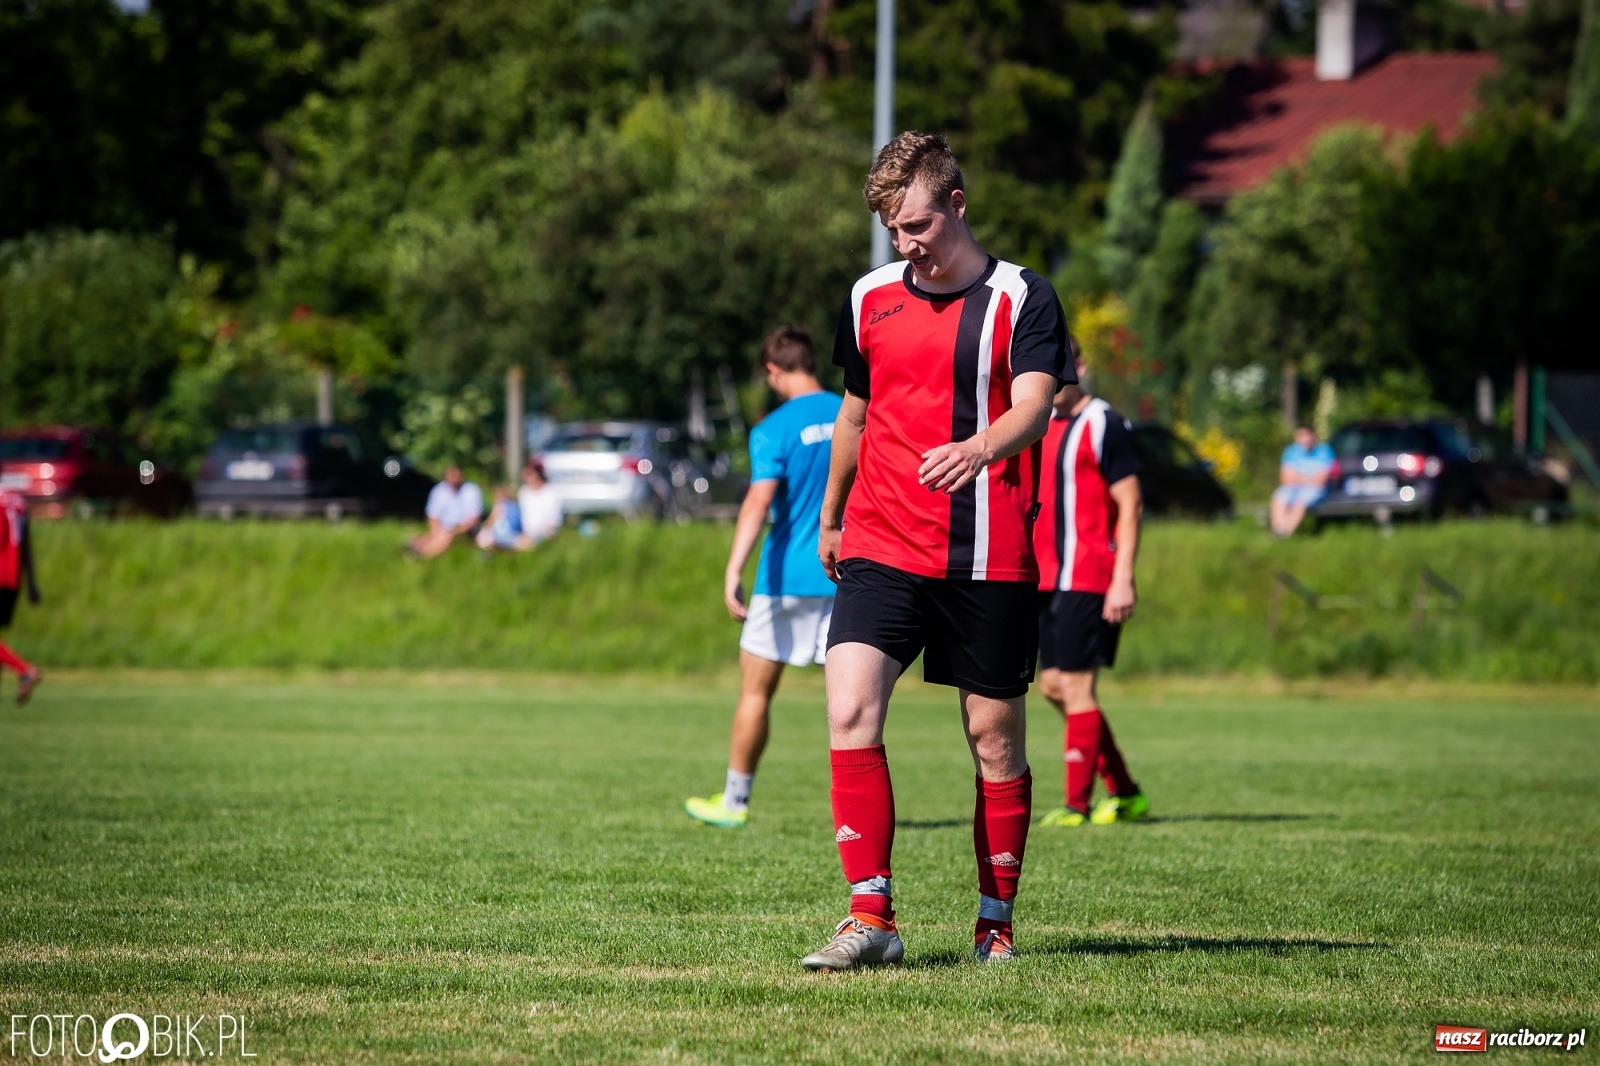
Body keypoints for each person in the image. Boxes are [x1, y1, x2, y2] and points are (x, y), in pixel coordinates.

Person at [801, 131, 1069, 971]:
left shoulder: (1023, 298)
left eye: (918, 225)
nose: (908, 245)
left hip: (987, 553)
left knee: (994, 739)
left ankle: (995, 924)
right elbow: (854, 414)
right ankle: (870, 916)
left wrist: (983, 446)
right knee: (848, 709)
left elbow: (1035, 407)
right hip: (881, 538)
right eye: (893, 231)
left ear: (957, 204)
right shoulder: (870, 295)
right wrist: (832, 513)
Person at [684, 327, 843, 829]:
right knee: (850, 701)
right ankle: (855, 811)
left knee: (756, 692)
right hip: (846, 573)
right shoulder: (854, 414)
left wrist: (733, 570)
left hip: (785, 578)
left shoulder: (773, 428)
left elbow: (757, 501)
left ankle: (734, 803)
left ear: (774, 371)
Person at [1033, 352, 1150, 829]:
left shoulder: (1104, 423)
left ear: (1078, 366)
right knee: (1052, 686)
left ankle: (1076, 805)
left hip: (1088, 574)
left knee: (1078, 688)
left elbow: (1131, 502)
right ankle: (1124, 791)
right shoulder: (1036, 421)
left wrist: (1122, 575)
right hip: (1043, 577)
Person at [0, 491, 43, 704]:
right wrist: (32, 583)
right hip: (13, 578)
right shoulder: (16, 501)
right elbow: (26, 543)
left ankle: (24, 669)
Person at [1270, 424, 1335, 537]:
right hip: (1294, 487)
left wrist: (1298, 478)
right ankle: (1279, 529)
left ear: (1313, 436)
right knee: (1279, 496)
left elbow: (1321, 480)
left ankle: (1285, 534)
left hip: (1315, 490)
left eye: (1307, 435)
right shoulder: (1291, 451)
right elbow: (1285, 478)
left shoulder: (1324, 451)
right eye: (1301, 435)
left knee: (1301, 501)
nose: (1304, 438)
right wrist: (1309, 478)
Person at [409, 465, 483, 558]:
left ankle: (423, 556)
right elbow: (432, 516)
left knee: (445, 537)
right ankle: (418, 549)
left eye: (456, 474)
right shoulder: (438, 491)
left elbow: (474, 519)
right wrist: (436, 531)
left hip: (465, 530)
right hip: (443, 528)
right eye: (451, 474)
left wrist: (454, 532)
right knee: (432, 537)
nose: (454, 477)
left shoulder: (471, 490)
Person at [516, 462, 563, 547]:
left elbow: (554, 520)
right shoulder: (524, 492)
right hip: (527, 534)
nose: (527, 478)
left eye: (530, 474)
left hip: (546, 533)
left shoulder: (551, 493)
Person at [475, 485, 523, 552]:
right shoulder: (513, 505)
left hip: (502, 533)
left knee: (484, 536)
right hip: (514, 532)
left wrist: (484, 525)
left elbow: (490, 521)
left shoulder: (499, 506)